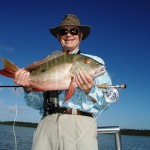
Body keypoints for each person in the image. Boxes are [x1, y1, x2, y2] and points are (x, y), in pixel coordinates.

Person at [14, 14, 118, 150]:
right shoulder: (47, 63)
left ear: (80, 36)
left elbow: (107, 102)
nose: (68, 35)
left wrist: (90, 90)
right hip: (47, 124)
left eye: (73, 31)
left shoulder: (95, 62)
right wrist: (27, 87)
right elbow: (37, 104)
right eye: (64, 31)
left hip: (80, 126)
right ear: (58, 37)